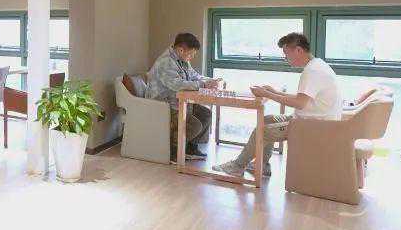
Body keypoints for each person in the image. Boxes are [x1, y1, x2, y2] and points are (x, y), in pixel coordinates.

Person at [213, 32, 341, 177]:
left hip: (313, 126)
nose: (286, 58)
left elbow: (299, 103)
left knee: (262, 131)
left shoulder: (313, 71)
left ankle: (237, 166)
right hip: (311, 120)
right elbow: (303, 98)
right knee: (266, 120)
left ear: (298, 50)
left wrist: (267, 94)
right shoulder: (317, 65)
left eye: (287, 54)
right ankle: (262, 165)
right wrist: (275, 92)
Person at [146, 32, 220, 162]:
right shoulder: (165, 62)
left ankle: (190, 148)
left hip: (178, 102)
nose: (192, 57)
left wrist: (210, 81)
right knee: (194, 125)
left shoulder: (182, 60)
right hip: (163, 105)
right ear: (181, 50)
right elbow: (177, 84)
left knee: (206, 114)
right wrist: (203, 85)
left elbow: (194, 76)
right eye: (191, 54)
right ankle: (174, 152)